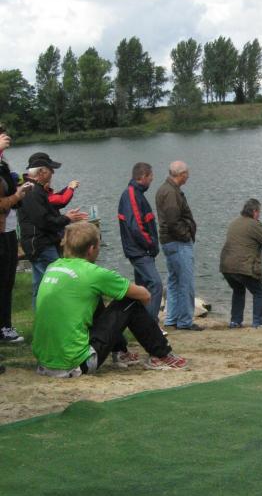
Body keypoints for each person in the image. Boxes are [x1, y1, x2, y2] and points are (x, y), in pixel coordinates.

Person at [32, 222, 188, 376]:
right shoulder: (93, 273)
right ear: (91, 249)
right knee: (130, 301)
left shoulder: (53, 267)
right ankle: (162, 355)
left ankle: (120, 351)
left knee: (93, 297)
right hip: (77, 364)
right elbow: (145, 295)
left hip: (45, 363)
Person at [17, 153, 88, 306]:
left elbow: (47, 213)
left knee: (40, 284)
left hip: (38, 244)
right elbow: (43, 221)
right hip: (41, 245)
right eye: (51, 170)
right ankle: (62, 313)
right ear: (41, 172)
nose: (53, 173)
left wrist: (66, 217)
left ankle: (41, 316)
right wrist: (67, 218)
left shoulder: (36, 189)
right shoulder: (32, 192)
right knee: (59, 281)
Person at [155, 161, 203, 331]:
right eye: (187, 173)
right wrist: (186, 235)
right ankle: (184, 321)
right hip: (178, 243)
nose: (188, 176)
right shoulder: (170, 192)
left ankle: (171, 319)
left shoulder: (166, 189)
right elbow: (173, 221)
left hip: (170, 242)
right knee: (185, 282)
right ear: (181, 174)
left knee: (174, 281)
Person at [220, 198, 262, 328]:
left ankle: (235, 322)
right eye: (259, 212)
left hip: (227, 266)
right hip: (242, 267)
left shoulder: (234, 222)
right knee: (259, 291)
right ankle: (258, 323)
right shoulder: (254, 224)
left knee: (238, 290)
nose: (259, 214)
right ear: (254, 211)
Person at [118, 162, 162, 323]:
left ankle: (139, 324)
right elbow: (136, 227)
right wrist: (151, 245)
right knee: (156, 284)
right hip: (139, 251)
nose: (152, 180)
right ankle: (150, 326)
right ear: (143, 176)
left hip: (140, 250)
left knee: (142, 290)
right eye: (151, 177)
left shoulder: (137, 194)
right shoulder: (131, 195)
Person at [0, 127, 32, 345]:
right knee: (2, 280)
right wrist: (17, 196)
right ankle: (4, 328)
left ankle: (5, 325)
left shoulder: (3, 164)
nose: (6, 137)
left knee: (7, 281)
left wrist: (20, 188)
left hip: (9, 229)